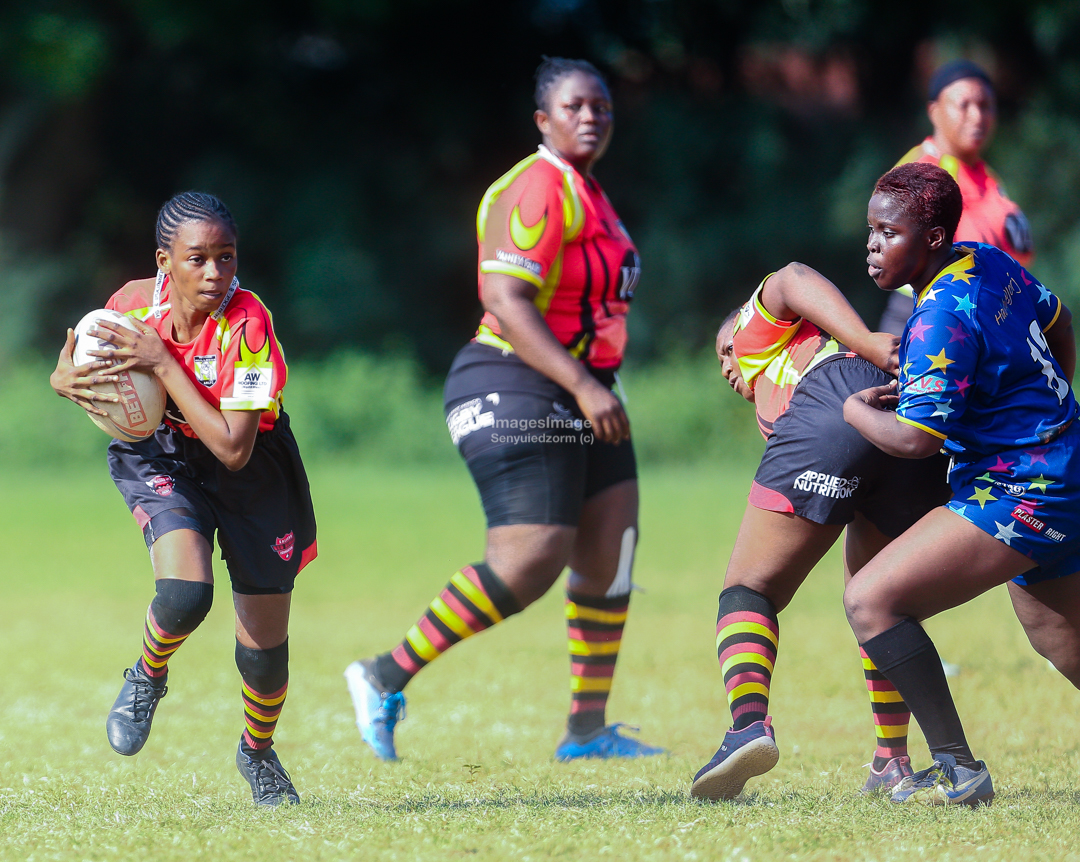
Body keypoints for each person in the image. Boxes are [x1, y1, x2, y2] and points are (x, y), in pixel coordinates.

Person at [344, 57, 661, 763]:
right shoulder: (538, 186)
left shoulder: (591, 193)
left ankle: (587, 730)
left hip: (586, 388)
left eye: (602, 107)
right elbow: (504, 299)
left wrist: (594, 387)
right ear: (543, 119)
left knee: (611, 549)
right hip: (513, 381)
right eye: (575, 106)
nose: (591, 117)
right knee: (531, 558)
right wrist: (583, 386)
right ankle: (382, 675)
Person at [50, 191, 317, 807]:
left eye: (227, 257)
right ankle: (146, 676)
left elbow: (234, 448)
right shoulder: (130, 307)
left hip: (251, 466)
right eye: (197, 259)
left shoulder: (248, 325)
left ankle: (257, 752)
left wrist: (164, 365)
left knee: (264, 652)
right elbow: (96, 377)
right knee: (185, 594)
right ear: (164, 261)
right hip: (163, 454)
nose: (215, 273)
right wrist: (65, 382)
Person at [844, 161, 1079, 806]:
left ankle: (958, 768)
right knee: (1061, 639)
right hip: (1062, 465)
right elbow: (1060, 322)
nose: (873, 246)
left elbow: (916, 440)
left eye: (890, 233)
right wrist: (1045, 407)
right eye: (871, 230)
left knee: (870, 600)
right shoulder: (988, 260)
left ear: (934, 239)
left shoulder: (938, 317)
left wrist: (853, 410)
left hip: (1020, 488)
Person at [690, 264, 950, 801]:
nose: (726, 367)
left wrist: (867, 341)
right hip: (902, 419)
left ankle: (747, 726)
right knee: (877, 599)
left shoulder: (759, 339)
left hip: (835, 400)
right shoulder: (776, 395)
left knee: (749, 589)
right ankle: (892, 761)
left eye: (724, 352)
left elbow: (791, 278)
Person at [879, 59, 1034, 336]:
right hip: (926, 322)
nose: (977, 116)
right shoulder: (919, 172)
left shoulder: (986, 176)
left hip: (981, 318)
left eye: (985, 105)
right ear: (935, 111)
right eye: (964, 105)